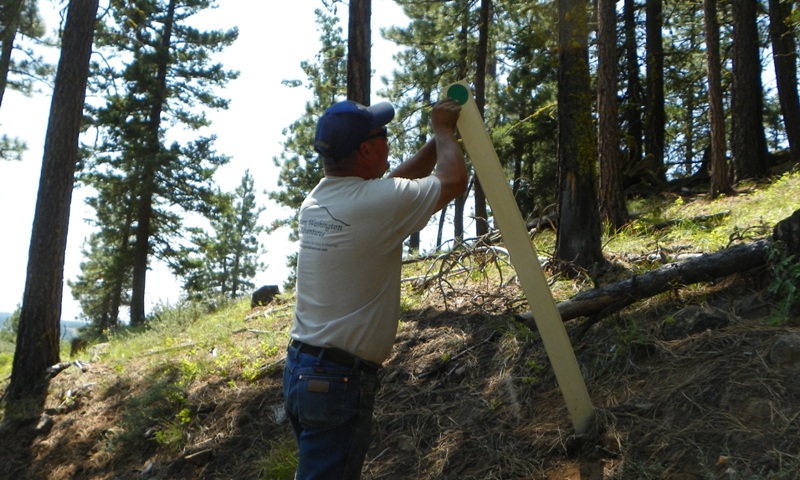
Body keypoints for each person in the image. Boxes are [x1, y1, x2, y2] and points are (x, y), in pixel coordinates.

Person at [283, 96, 467, 480]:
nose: (388, 140)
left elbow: (390, 187)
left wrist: (438, 142)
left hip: (304, 371)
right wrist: (443, 131)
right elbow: (452, 182)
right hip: (336, 380)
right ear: (366, 149)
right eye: (383, 134)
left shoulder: (320, 199)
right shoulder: (373, 204)